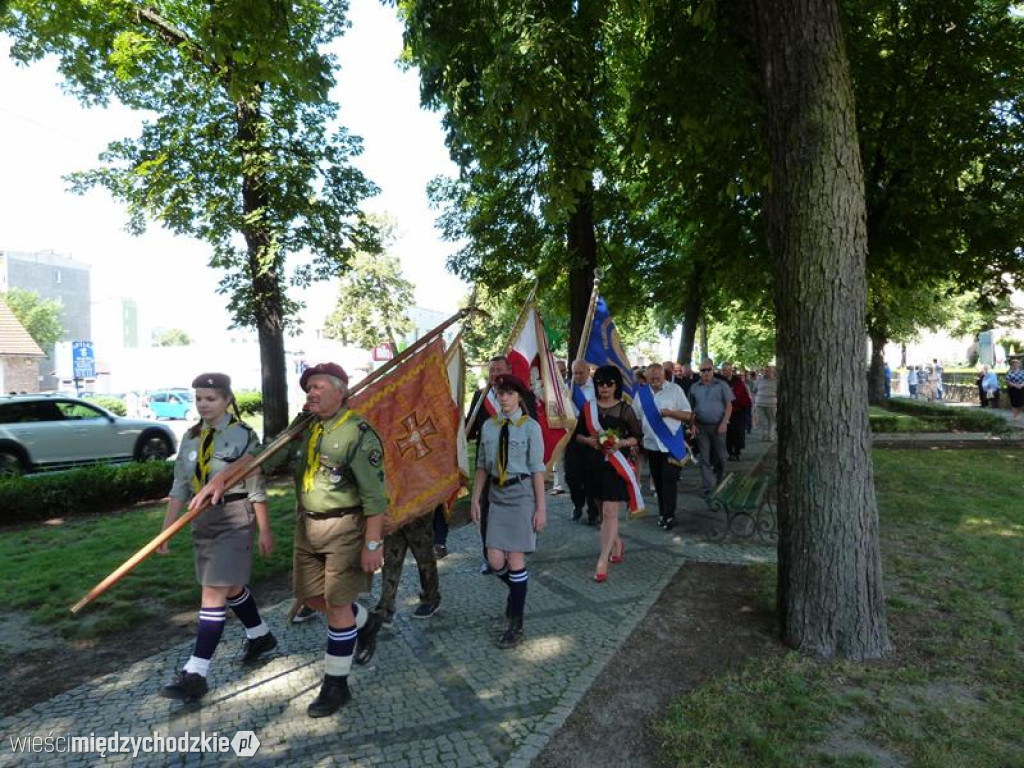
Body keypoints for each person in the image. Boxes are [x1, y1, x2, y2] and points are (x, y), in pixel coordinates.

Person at [193, 362, 388, 717]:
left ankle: (336, 685)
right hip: (307, 526)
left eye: (318, 387)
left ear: (340, 390)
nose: (311, 393)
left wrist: (373, 544)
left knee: (338, 607)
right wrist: (222, 480)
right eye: (308, 388)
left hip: (345, 527)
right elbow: (264, 458)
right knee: (312, 598)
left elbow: (376, 496)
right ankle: (366, 621)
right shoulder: (304, 427)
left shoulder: (358, 433)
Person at [158, 372, 275, 702]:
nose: (203, 405)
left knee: (213, 592)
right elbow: (180, 487)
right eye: (198, 399)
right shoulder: (191, 438)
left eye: (210, 399)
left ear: (227, 400)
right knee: (231, 587)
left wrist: (265, 529)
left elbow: (256, 486)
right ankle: (260, 635)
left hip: (234, 518)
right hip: (201, 521)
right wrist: (167, 528)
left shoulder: (243, 436)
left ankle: (196, 673)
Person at [470, 374, 546, 648]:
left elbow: (537, 470)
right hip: (497, 496)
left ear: (519, 397)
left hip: (521, 494)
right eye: (500, 393)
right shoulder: (490, 427)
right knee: (494, 561)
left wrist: (541, 507)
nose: (503, 398)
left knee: (515, 560)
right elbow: (481, 465)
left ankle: (516, 622)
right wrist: (475, 499)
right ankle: (516, 591)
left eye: (509, 393)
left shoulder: (530, 428)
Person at [572, 365, 643, 582]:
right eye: (600, 383)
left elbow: (637, 437)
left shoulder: (625, 409)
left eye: (608, 383)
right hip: (593, 466)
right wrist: (588, 440)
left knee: (611, 513)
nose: (604, 387)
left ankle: (602, 560)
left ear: (616, 385)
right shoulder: (587, 408)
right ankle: (617, 543)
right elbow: (577, 436)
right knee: (603, 514)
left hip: (615, 466)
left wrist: (620, 442)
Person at [467, 355, 514, 573]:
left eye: (499, 370)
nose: (495, 375)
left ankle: (511, 552)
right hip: (486, 466)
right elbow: (469, 429)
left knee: (511, 509)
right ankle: (489, 556)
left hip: (513, 465)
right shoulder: (480, 397)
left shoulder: (519, 396)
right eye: (491, 370)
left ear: (509, 371)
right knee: (487, 510)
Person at [633, 362, 691, 531]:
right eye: (651, 379)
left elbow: (688, 415)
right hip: (651, 445)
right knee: (658, 481)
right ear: (647, 378)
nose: (655, 381)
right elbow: (636, 417)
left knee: (669, 479)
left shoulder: (675, 390)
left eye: (658, 378)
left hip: (670, 444)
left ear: (664, 376)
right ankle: (662, 513)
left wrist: (671, 413)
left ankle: (670, 515)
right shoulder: (641, 394)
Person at [373, 509, 442, 627]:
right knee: (391, 561)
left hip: (418, 513)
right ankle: (385, 607)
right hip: (395, 515)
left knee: (424, 560)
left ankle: (431, 597)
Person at [688, 359, 734, 499]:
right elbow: (689, 409)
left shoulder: (722, 385)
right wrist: (692, 425)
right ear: (699, 372)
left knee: (721, 456)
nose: (706, 372)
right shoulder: (694, 387)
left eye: (708, 369)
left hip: (718, 426)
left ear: (713, 370)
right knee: (704, 458)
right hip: (702, 427)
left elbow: (729, 406)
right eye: (703, 370)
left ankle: (722, 479)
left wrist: (724, 422)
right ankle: (708, 486)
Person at [566, 360, 598, 524]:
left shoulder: (597, 388)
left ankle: (593, 511)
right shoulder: (567, 388)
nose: (577, 376)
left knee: (591, 476)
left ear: (588, 371)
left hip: (592, 434)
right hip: (571, 435)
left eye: (581, 372)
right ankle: (578, 503)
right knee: (571, 475)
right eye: (575, 373)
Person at [722, 363, 752, 461]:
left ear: (731, 370)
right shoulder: (721, 382)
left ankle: (737, 451)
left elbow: (743, 396)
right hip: (726, 412)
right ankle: (730, 452)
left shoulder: (738, 381)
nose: (725, 372)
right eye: (723, 370)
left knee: (738, 433)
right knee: (728, 434)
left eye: (727, 370)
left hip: (738, 412)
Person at [754, 365, 778, 441]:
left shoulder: (776, 381)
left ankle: (770, 436)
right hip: (760, 403)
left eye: (768, 371)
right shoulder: (759, 380)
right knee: (761, 420)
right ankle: (763, 435)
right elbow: (755, 389)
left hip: (771, 403)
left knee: (772, 420)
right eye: (765, 371)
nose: (766, 372)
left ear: (772, 372)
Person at [1006, 358, 1024, 425]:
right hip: (1013, 389)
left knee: (1021, 403)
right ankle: (1015, 416)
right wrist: (1016, 385)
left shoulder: (1022, 372)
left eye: (1016, 364)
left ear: (1019, 365)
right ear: (1011, 365)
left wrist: (1021, 385)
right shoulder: (1009, 372)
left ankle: (1018, 414)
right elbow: (1008, 382)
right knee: (1014, 403)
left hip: (1022, 389)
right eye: (1013, 364)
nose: (1015, 365)